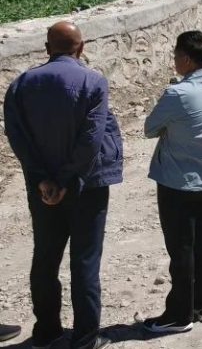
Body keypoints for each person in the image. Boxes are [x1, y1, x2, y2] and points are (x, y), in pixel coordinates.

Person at [3, 21, 122, 349]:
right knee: (84, 261)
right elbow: (90, 140)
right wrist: (67, 179)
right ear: (81, 49)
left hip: (43, 191)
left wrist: (45, 180)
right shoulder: (93, 81)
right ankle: (84, 340)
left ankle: (46, 332)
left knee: (44, 258)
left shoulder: (20, 84)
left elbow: (17, 138)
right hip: (86, 186)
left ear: (46, 48)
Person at [142, 31, 202, 335]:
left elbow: (149, 128)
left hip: (178, 184)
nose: (174, 60)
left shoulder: (177, 94)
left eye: (176, 55)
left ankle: (179, 315)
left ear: (187, 59)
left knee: (181, 249)